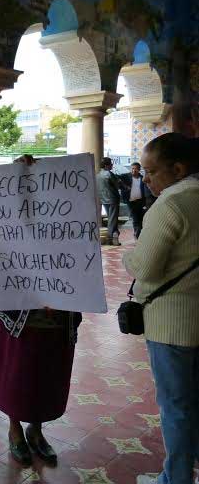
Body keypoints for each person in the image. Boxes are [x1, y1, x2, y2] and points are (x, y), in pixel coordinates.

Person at [0, 153, 81, 466]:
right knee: (19, 374)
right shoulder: (15, 222)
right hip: (20, 315)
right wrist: (18, 173)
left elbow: (81, 260)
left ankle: (36, 432)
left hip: (58, 316)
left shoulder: (72, 221)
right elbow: (2, 205)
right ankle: (15, 431)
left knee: (46, 375)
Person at [125, 134, 199, 484]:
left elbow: (146, 267)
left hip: (172, 328)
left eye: (152, 171)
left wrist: (127, 256)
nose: (146, 179)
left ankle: (176, 479)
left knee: (177, 407)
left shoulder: (170, 204)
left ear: (178, 169)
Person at [120, 162, 153, 239]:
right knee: (135, 218)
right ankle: (137, 234)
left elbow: (146, 189)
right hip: (131, 202)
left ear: (139, 170)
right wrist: (124, 187)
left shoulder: (142, 178)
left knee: (141, 218)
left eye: (136, 169)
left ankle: (139, 233)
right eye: (132, 168)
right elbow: (116, 178)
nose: (134, 170)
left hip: (141, 201)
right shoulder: (125, 177)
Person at [97, 157, 123, 246]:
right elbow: (117, 185)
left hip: (104, 200)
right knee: (112, 219)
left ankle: (115, 237)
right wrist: (119, 181)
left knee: (111, 218)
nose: (112, 165)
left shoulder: (98, 175)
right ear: (106, 165)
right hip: (112, 199)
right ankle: (110, 238)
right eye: (110, 164)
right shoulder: (109, 174)